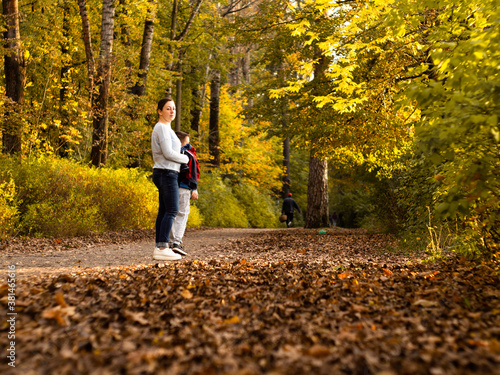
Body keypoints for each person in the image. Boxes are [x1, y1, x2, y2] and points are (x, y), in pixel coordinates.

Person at [151, 97, 189, 261]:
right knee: (172, 210)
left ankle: (160, 246)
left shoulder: (166, 128)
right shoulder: (162, 128)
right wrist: (185, 159)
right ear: (159, 111)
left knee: (164, 211)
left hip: (166, 172)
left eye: (173, 108)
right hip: (166, 173)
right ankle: (162, 247)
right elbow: (167, 153)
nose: (172, 111)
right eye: (168, 108)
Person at [170, 131, 200, 256]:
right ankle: (176, 242)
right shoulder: (188, 154)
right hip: (184, 187)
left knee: (170, 213)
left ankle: (169, 241)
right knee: (182, 213)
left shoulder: (169, 152)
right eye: (187, 142)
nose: (189, 145)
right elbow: (193, 172)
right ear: (182, 142)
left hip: (169, 186)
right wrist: (194, 188)